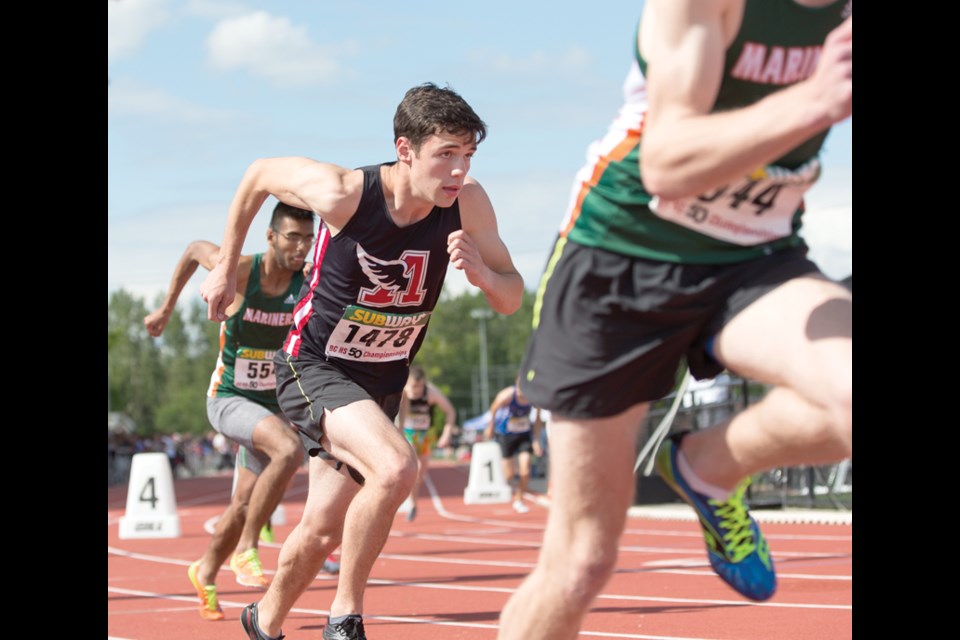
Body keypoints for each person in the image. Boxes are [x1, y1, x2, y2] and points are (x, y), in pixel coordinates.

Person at [498, 1, 852, 637]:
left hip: (755, 254)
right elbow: (667, 163)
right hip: (622, 260)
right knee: (581, 561)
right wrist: (814, 99)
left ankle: (711, 465)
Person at [198, 82, 524, 640]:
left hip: (381, 384)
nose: (457, 171)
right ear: (405, 150)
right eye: (446, 154)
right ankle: (344, 618)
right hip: (314, 366)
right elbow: (257, 174)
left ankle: (265, 620)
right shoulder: (344, 191)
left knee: (321, 527)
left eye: (468, 155)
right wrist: (227, 266)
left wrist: (484, 274)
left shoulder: (468, 203)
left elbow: (512, 296)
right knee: (397, 468)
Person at [143, 202, 315, 621]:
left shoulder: (306, 280)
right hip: (228, 398)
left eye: (307, 239)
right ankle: (247, 549)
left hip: (269, 409)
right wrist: (166, 309)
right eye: (292, 237)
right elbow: (191, 249)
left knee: (242, 505)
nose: (301, 247)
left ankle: (204, 571)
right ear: (271, 237)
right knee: (290, 451)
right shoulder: (239, 270)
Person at [396, 365, 457, 522]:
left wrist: (446, 434)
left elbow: (450, 411)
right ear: (406, 383)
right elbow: (397, 417)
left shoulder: (430, 393)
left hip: (425, 435)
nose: (416, 390)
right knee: (412, 470)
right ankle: (410, 503)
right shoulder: (401, 393)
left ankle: (413, 503)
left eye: (419, 386)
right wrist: (399, 434)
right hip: (408, 434)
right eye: (413, 386)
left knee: (420, 475)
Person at [483, 378, 543, 513]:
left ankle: (519, 499)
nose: (523, 394)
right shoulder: (507, 395)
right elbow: (493, 409)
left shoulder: (535, 398)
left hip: (524, 435)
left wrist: (537, 441)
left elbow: (538, 421)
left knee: (525, 470)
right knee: (509, 475)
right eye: (520, 390)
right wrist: (490, 427)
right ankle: (513, 486)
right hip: (506, 435)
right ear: (516, 386)